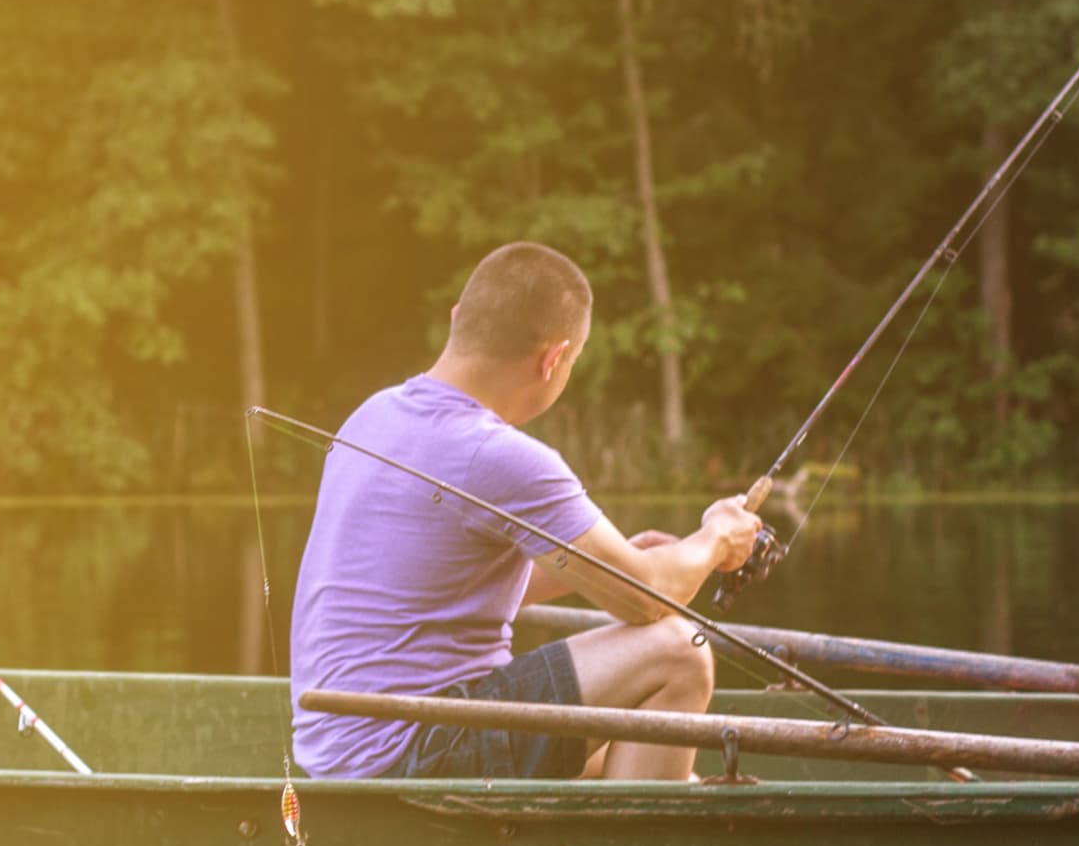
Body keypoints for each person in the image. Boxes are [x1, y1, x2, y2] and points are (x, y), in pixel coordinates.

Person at [288, 242, 767, 782]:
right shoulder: (499, 456)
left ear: (458, 320)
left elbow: (438, 588)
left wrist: (601, 564)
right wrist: (716, 538)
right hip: (411, 748)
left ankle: (652, 820)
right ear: (552, 359)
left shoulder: (372, 417)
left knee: (627, 757)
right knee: (682, 651)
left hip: (338, 752)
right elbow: (646, 599)